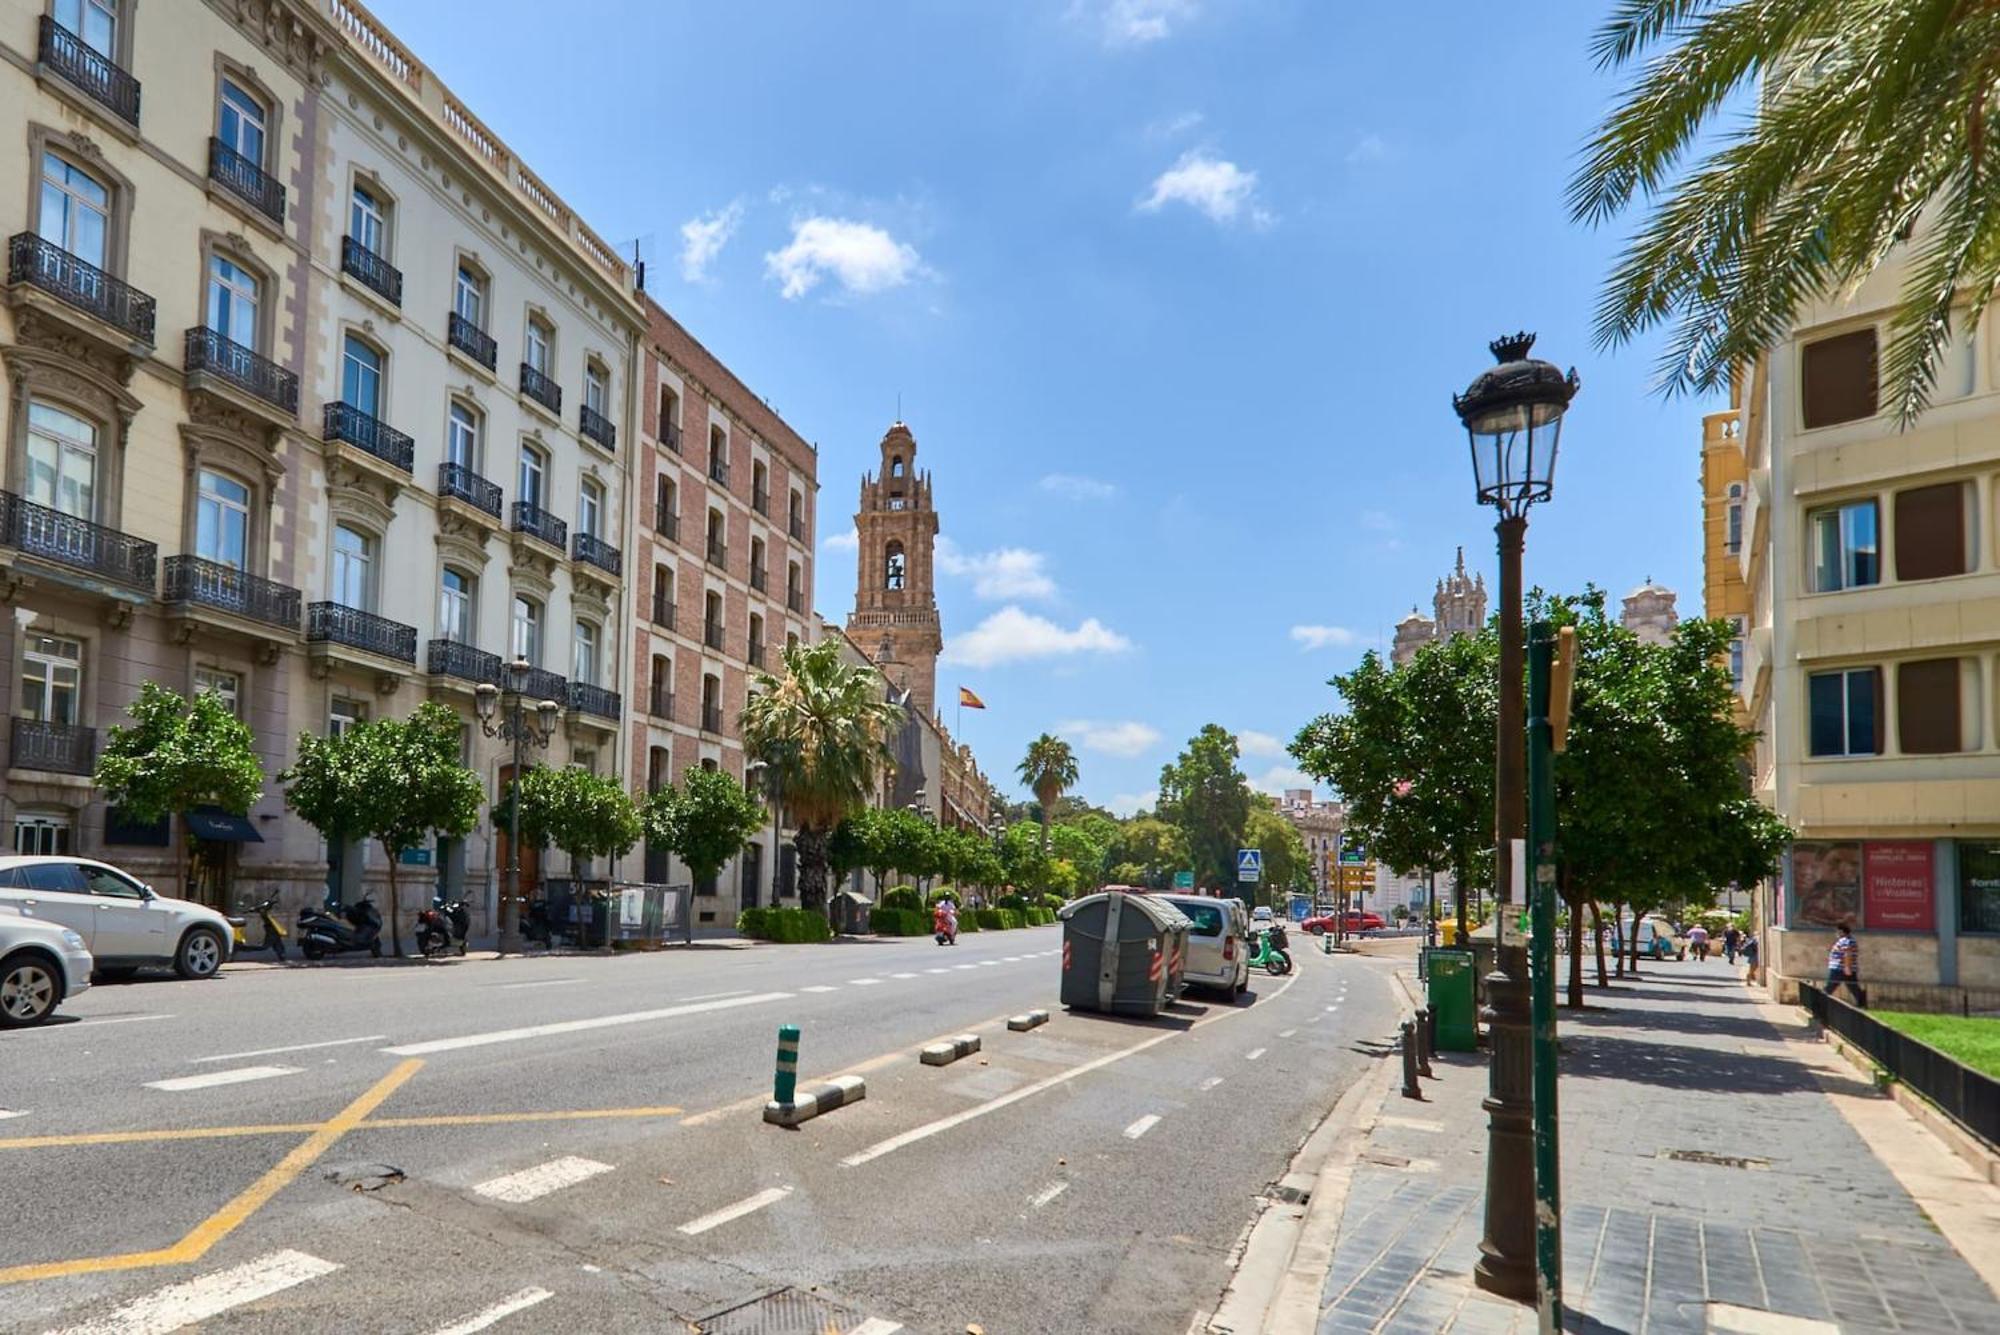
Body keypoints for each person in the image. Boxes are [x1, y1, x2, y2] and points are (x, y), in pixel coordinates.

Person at [1826, 922, 1866, 1006]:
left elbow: (1847, 953)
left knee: (1829, 987)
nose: (1836, 934)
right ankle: (1862, 1004)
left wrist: (1847, 967)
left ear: (1841, 931)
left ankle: (1819, 1004)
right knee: (1853, 987)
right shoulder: (1845, 940)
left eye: (1837, 932)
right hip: (1842, 968)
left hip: (1839, 969)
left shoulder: (1847, 940)